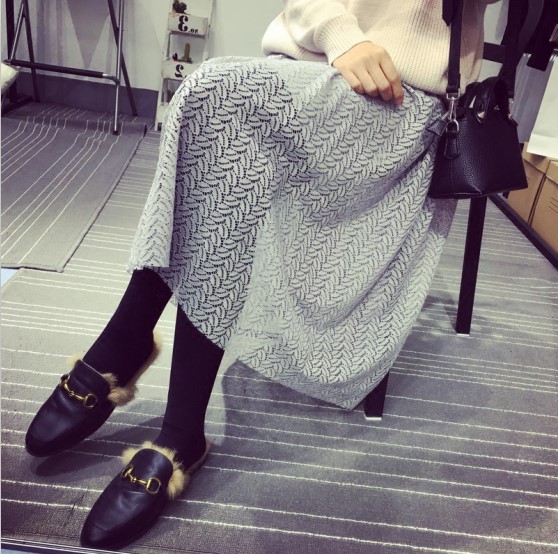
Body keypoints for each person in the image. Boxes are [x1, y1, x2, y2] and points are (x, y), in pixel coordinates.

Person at [25, 0, 498, 549]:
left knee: (218, 96)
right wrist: (342, 35)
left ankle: (130, 352)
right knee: (218, 116)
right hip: (310, 64)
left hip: (401, 97)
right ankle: (175, 427)